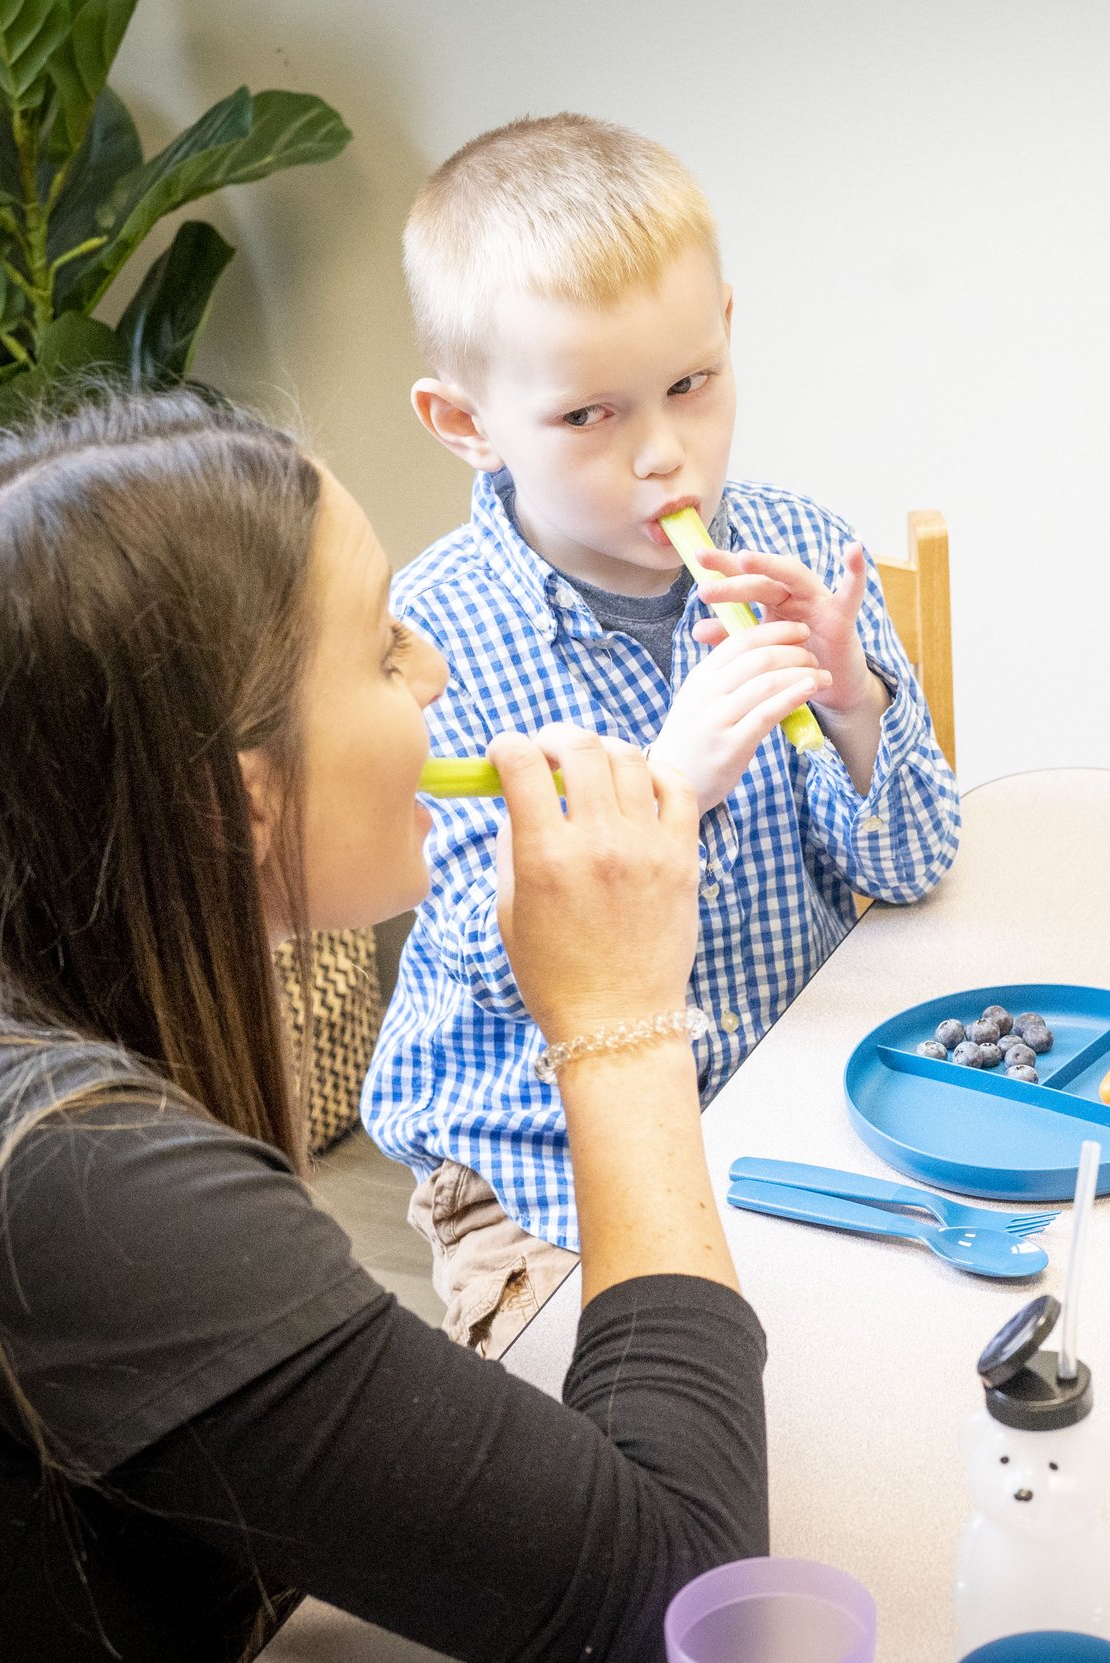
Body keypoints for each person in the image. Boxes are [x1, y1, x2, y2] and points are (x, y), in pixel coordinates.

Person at [0, 392, 768, 1661]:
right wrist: (620, 1019)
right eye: (385, 649)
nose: (436, 669)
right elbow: (681, 1601)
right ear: (239, 800)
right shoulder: (72, 1176)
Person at [363, 113, 962, 1354]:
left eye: (692, 384)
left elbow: (912, 866)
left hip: (787, 1092)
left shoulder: (793, 546)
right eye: (589, 416)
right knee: (609, 1464)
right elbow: (491, 962)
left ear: (728, 333)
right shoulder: (425, 640)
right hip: (538, 1170)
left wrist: (853, 705)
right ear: (466, 422)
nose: (662, 455)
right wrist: (665, 791)